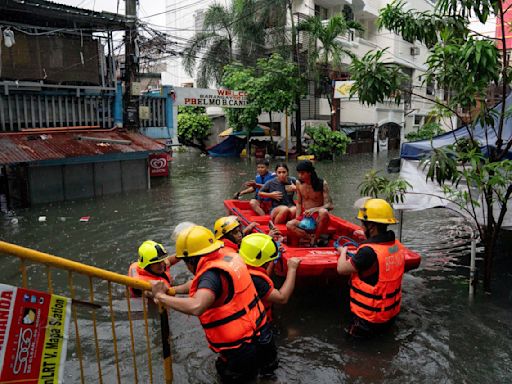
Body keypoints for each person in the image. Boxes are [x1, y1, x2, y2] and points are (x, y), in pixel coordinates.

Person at [151, 225, 268, 383]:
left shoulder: (211, 275)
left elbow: (196, 306)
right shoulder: (226, 255)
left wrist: (160, 296)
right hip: (261, 333)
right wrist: (172, 290)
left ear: (191, 259)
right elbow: (196, 284)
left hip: (240, 349)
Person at [336, 198, 405, 339]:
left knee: (352, 352)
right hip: (388, 316)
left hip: (366, 320)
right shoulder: (396, 246)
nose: (361, 227)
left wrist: (342, 251)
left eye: (363, 224)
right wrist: (367, 238)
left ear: (372, 226)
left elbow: (342, 269)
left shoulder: (367, 252)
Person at [238, 233, 301, 375]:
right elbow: (282, 298)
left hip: (244, 323)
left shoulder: (239, 267)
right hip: (258, 328)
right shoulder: (257, 280)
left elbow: (262, 274)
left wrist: (272, 259)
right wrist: (292, 269)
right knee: (291, 337)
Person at [286, 160, 334, 246]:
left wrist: (314, 210)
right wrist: (297, 218)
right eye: (299, 173)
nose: (300, 176)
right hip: (304, 216)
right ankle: (311, 238)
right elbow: (299, 202)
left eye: (302, 173)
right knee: (289, 225)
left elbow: (329, 205)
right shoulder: (298, 183)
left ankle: (315, 239)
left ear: (310, 173)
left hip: (317, 217)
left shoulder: (322, 183)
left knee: (324, 212)